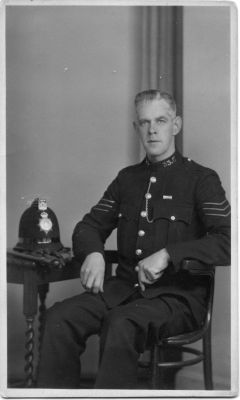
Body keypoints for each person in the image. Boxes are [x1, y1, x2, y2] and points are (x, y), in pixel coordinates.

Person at [37, 90, 230, 389]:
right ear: (136, 128)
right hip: (123, 290)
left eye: (161, 121)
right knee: (60, 318)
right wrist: (94, 253)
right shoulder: (127, 179)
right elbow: (88, 226)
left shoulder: (201, 179)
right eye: (145, 122)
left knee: (121, 323)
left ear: (176, 125)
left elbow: (228, 241)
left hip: (177, 298)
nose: (152, 129)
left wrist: (168, 253)